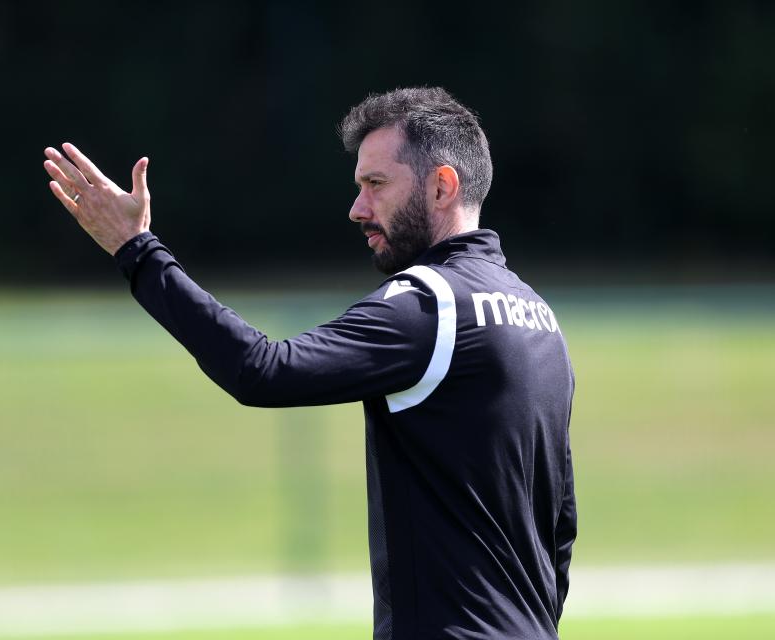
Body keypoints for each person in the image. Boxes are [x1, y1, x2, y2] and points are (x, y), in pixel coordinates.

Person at [43, 87, 576, 640]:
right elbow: (560, 524)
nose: (358, 209)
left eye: (375, 184)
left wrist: (137, 251)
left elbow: (261, 370)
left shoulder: (430, 304)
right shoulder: (539, 317)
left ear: (442, 186)